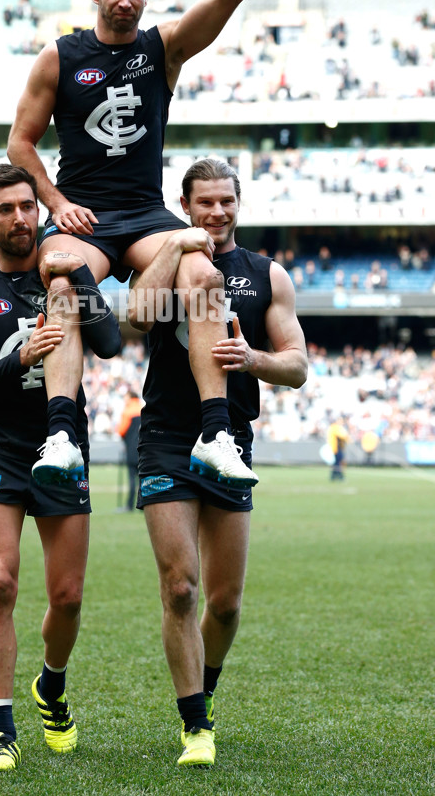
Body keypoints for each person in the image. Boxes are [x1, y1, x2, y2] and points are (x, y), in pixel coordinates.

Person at [7, 0, 249, 488]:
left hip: (144, 213)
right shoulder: (58, 58)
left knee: (203, 271)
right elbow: (20, 146)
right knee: (58, 277)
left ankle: (216, 431)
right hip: (83, 214)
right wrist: (55, 203)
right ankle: (62, 433)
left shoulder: (162, 48)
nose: (126, 1)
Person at [128, 158, 308, 767]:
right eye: (204, 202)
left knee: (225, 603)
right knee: (180, 586)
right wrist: (175, 247)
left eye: (226, 201)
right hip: (165, 437)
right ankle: (195, 724)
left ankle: (202, 692)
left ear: (240, 203)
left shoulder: (266, 275)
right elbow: (136, 317)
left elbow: (298, 366)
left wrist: (251, 359)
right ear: (185, 205)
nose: (217, 213)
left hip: (231, 439)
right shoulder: (171, 258)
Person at [0, 163, 120, 772]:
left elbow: (112, 343)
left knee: (67, 597)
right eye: (7, 210)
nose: (21, 218)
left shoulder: (64, 270)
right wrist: (19, 360)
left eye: (28, 206)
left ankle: (52, 683)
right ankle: (1, 729)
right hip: (0, 450)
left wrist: (76, 272)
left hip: (64, 445)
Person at [116, 390, 143, 511]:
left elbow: (121, 430)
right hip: (143, 448)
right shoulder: (143, 409)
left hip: (131, 450)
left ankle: (129, 505)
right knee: (143, 478)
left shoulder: (127, 412)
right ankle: (143, 504)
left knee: (132, 478)